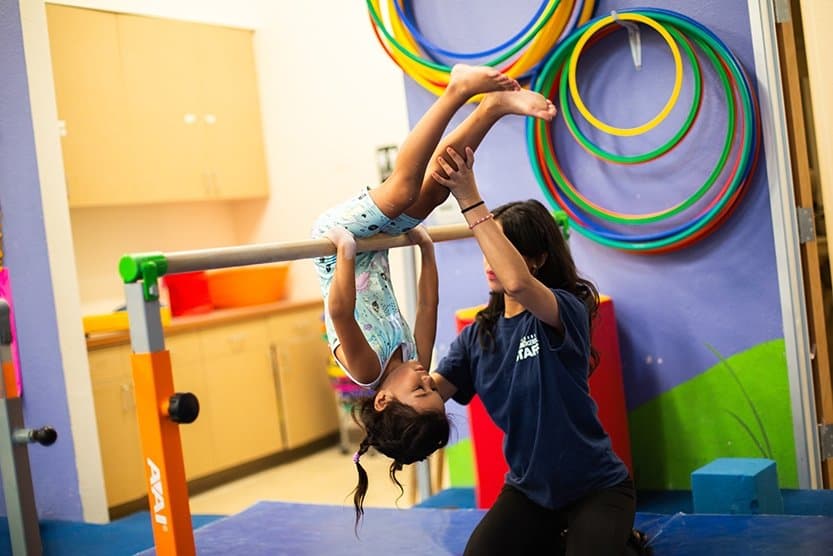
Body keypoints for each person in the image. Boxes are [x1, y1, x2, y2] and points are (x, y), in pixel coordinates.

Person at [311, 64, 558, 528]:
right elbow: (428, 305)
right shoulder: (414, 360)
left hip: (339, 243)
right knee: (431, 193)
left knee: (405, 189)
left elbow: (340, 310)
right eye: (432, 390)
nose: (427, 377)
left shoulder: (366, 368)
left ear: (383, 400)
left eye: (419, 390)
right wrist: (426, 252)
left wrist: (343, 253)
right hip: (372, 244)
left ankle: (458, 90)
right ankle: (492, 108)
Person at [430, 146, 646, 555]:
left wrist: (468, 196)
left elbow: (519, 286)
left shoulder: (563, 308)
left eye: (506, 250)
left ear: (537, 259)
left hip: (597, 487)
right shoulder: (480, 337)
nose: (491, 260)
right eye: (490, 250)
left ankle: (623, 543)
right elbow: (433, 392)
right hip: (530, 492)